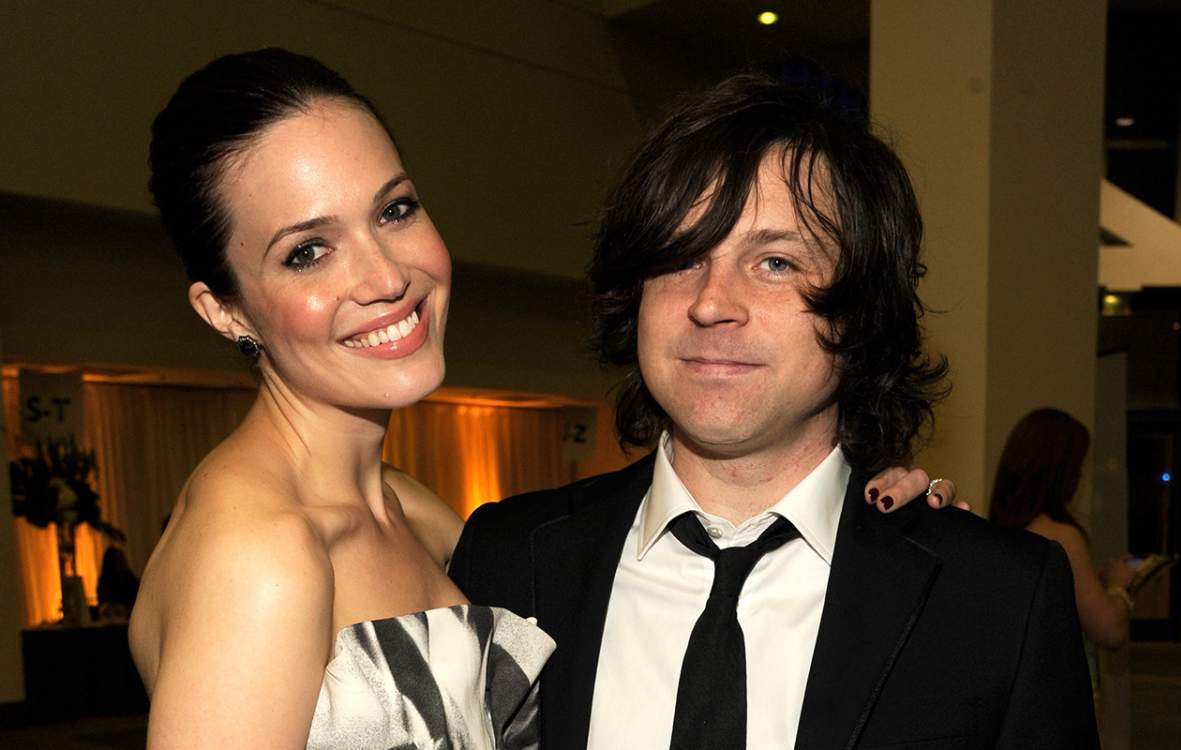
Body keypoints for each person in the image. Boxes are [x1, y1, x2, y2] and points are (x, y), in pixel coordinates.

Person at [128, 50, 946, 748]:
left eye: (395, 210)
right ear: (224, 308)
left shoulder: (421, 517)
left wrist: (876, 527)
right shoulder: (260, 556)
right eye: (308, 252)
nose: (384, 277)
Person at [449, 74, 1100, 748]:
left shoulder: (996, 598)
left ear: (863, 308)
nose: (710, 301)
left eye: (776, 262)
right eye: (679, 258)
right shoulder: (507, 559)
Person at [990, 408, 1135, 649]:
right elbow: (1108, 630)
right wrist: (1119, 585)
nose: (1079, 477)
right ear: (1060, 471)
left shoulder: (1001, 529)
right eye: (1077, 465)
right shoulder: (1060, 536)